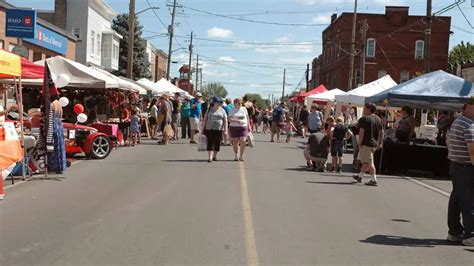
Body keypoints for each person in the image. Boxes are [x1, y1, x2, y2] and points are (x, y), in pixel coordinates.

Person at [446, 98, 474, 246]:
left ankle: (455, 231)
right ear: (469, 106)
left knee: (457, 199)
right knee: (468, 201)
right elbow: (473, 151)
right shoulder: (469, 125)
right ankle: (471, 234)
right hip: (465, 167)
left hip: (456, 165)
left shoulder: (458, 121)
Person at [352, 103, 384, 186]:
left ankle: (374, 180)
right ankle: (360, 176)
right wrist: (380, 143)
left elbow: (361, 132)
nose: (363, 110)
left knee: (369, 162)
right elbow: (382, 132)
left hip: (366, 143)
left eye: (364, 108)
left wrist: (360, 143)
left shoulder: (364, 119)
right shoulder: (378, 119)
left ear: (369, 109)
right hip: (374, 144)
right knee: (366, 161)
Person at [202, 97, 228, 163]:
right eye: (217, 102)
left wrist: (225, 130)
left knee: (217, 143)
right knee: (210, 142)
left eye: (220, 102)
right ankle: (210, 157)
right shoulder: (209, 109)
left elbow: (225, 121)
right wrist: (202, 128)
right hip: (209, 128)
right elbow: (205, 119)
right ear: (214, 102)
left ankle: (214, 156)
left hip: (219, 129)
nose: (219, 104)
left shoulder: (222, 110)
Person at [48, 96, 67, 174]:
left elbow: (50, 116)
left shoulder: (51, 104)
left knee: (54, 146)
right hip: (59, 124)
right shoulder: (58, 103)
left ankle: (54, 166)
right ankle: (61, 165)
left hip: (53, 124)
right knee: (60, 145)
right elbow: (61, 115)